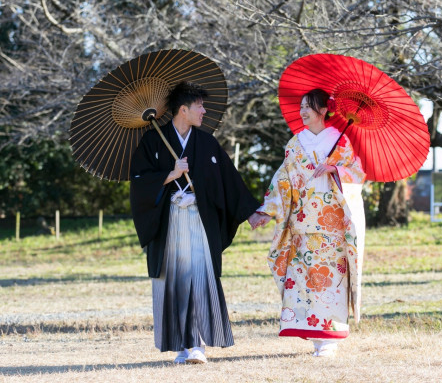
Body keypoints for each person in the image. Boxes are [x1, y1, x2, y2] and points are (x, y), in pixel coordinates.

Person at [130, 81, 260, 364]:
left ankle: (198, 343)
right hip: (171, 220)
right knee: (176, 280)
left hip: (199, 219)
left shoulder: (207, 143)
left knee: (200, 278)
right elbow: (139, 184)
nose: (203, 111)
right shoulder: (153, 141)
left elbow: (229, 181)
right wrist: (171, 173)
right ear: (183, 109)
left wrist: (250, 212)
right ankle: (181, 345)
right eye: (199, 105)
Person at [249, 88, 367, 357]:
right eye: (301, 106)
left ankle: (329, 339)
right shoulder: (295, 143)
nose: (302, 111)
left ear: (324, 110)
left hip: (332, 224)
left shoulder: (340, 140)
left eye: (309, 106)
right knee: (305, 279)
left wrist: (336, 169)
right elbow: (283, 180)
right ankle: (314, 335)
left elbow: (358, 173)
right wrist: (266, 211)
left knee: (330, 280)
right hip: (302, 223)